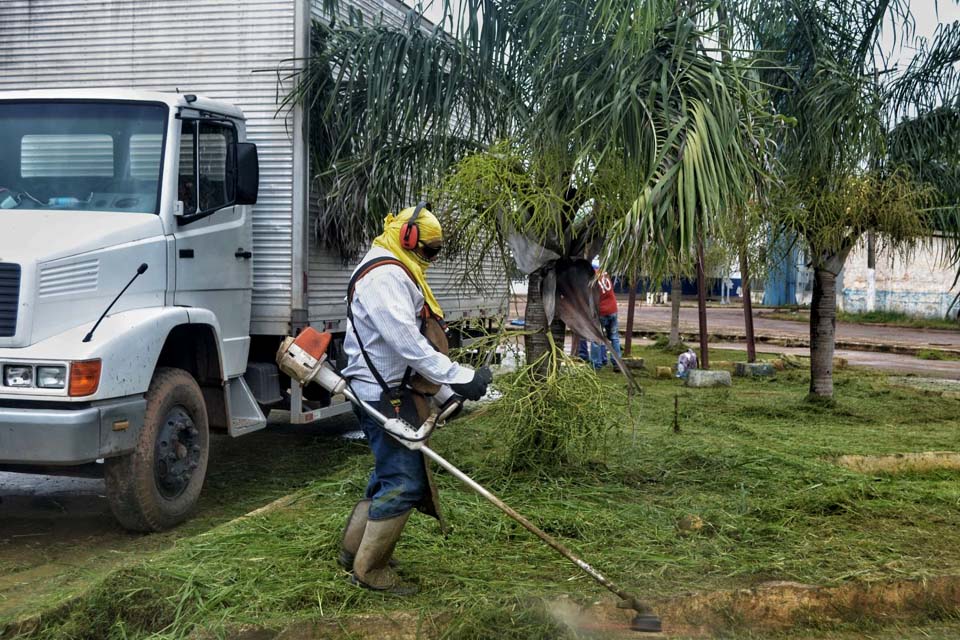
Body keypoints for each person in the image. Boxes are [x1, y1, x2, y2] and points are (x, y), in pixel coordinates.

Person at [339, 203, 492, 595]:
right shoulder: (385, 275)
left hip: (392, 391)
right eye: (429, 250)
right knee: (404, 481)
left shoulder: (399, 269)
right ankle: (369, 570)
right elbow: (407, 345)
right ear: (408, 239)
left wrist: (444, 392)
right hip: (381, 397)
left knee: (387, 474)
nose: (431, 259)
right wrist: (463, 377)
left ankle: (353, 551)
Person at [590, 259, 622, 369]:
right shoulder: (605, 274)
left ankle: (596, 364)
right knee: (614, 337)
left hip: (601, 312)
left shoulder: (592, 278)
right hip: (613, 309)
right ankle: (617, 363)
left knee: (596, 338)